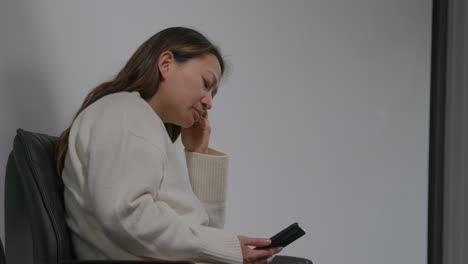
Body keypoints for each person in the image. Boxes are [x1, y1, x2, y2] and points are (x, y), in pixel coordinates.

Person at [57, 27, 307, 264]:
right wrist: (225, 247)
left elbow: (202, 233)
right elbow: (126, 216)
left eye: (214, 94)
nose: (209, 102)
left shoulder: (140, 121)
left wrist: (199, 153)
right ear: (166, 64)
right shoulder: (125, 112)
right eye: (206, 84)